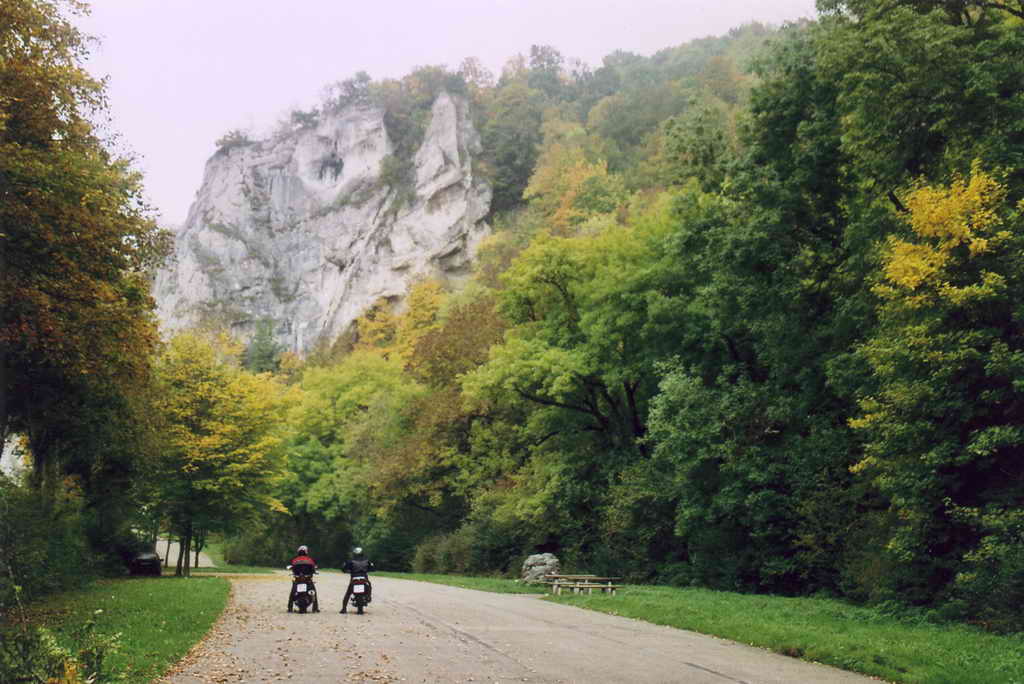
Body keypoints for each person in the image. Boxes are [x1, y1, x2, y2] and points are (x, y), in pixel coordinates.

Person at [339, 546, 374, 614]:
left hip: (354, 578)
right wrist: (368, 570)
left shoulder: (350, 561)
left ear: (354, 554)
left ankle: (344, 609)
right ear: (362, 553)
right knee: (369, 586)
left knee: (348, 593)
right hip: (364, 578)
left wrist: (346, 571)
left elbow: (344, 568)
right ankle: (368, 596)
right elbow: (372, 568)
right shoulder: (367, 561)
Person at [288, 545, 320, 613]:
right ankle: (315, 608)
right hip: (307, 579)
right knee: (313, 592)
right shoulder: (310, 560)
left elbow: (292, 568)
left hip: (298, 579)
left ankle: (290, 608)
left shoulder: (295, 559)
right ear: (306, 552)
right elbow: (313, 568)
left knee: (292, 593)